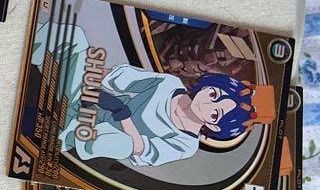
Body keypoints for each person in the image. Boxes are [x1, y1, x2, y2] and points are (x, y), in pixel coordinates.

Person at [31, 21, 275, 169]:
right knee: (74, 36)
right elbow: (115, 77)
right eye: (214, 94)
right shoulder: (170, 83)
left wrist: (122, 114)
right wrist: (87, 70)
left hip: (95, 129)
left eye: (215, 113)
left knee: (120, 144)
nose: (207, 103)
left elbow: (140, 149)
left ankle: (57, 130)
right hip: (88, 96)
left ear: (214, 125)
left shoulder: (186, 145)